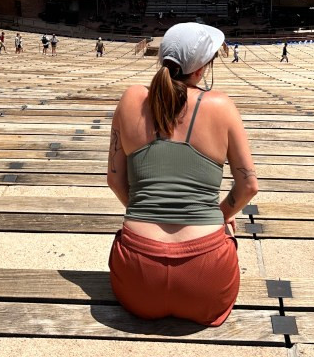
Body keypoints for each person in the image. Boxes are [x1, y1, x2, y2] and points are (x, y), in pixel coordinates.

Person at [107, 22, 257, 327]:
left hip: (137, 279)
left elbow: (114, 179)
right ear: (201, 70)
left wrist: (147, 211)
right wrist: (220, 214)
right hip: (207, 279)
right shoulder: (220, 106)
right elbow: (248, 186)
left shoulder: (131, 99)